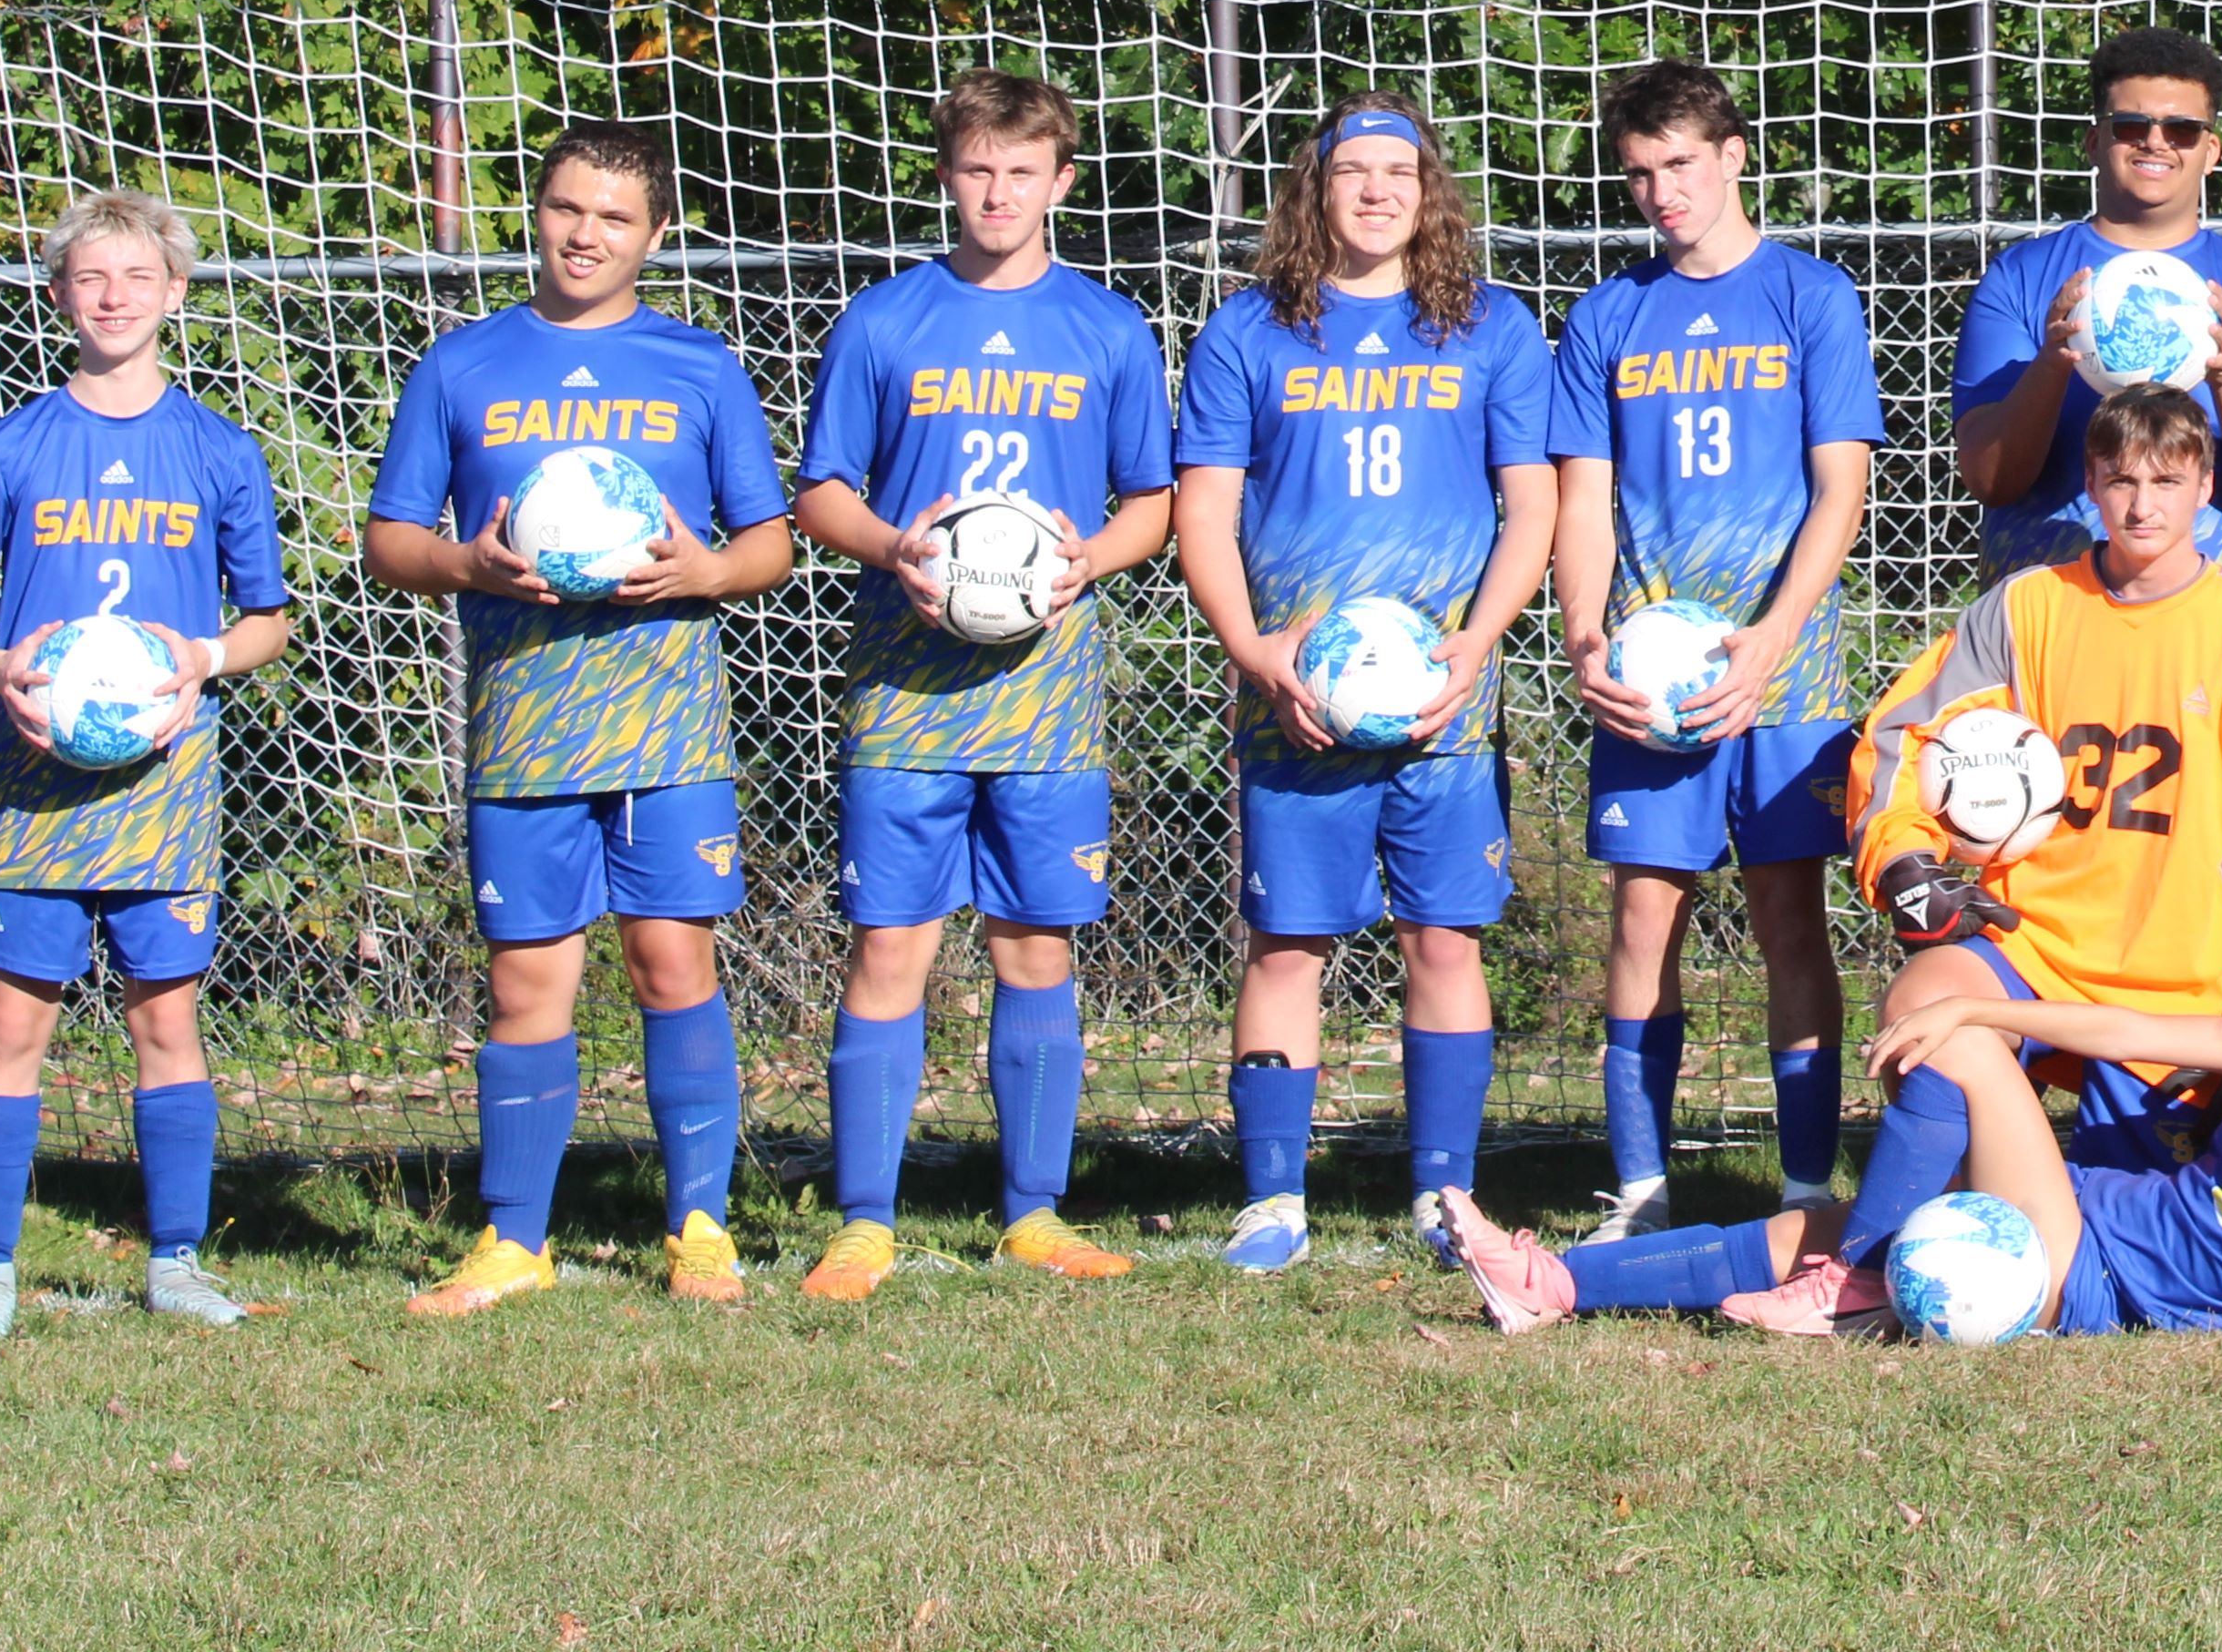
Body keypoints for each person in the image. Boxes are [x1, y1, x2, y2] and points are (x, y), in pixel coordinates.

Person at [1728, 382, 2222, 1334]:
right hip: (2031, 941)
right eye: (2120, 478)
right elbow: (1899, 740)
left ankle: (1936, 1245)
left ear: (2207, 484)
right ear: (2089, 484)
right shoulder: (2024, 609)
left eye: (2168, 479)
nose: (2143, 504)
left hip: (2175, 982)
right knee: (1925, 1006)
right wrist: (1901, 861)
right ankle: (1858, 1280)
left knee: (2118, 1232)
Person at [365, 120, 797, 1316]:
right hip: (523, 733)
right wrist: (469, 564)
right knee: (526, 985)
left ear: (654, 237)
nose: (584, 235)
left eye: (613, 218)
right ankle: (514, 1239)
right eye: (566, 208)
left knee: (671, 964)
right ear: (537, 213)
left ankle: (698, 1225)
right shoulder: (461, 366)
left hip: (668, 732)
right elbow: (389, 541)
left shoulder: (700, 366)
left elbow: (768, 544)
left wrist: (702, 574)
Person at [787, 69, 1181, 1299]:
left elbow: (1153, 503)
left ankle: (1034, 1214)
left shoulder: (1108, 328)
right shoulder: (885, 320)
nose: (997, 193)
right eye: (976, 170)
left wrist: (1083, 560)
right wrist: (898, 547)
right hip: (904, 693)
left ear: (1063, 182)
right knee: (890, 950)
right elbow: (820, 492)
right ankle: (864, 1219)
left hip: (1051, 695)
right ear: (945, 177)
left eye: (1023, 172)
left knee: (1034, 953)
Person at [1177, 93, 1557, 1273]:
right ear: (1316, 189)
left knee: (1443, 941)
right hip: (1294, 698)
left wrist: (1477, 643)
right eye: (1356, 172)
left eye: (1402, 171)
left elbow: (1533, 503)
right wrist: (1256, 652)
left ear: (1429, 190)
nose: (1379, 191)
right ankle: (1273, 1201)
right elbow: (1204, 510)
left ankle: (1447, 1198)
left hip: (1441, 705)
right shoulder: (1249, 332)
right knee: (1288, 945)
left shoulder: (1489, 326)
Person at [1434, 933, 2222, 1341]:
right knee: (1815, 1221)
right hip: (2088, 1210)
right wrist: (1995, 1004)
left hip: (2087, 1280)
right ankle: (1552, 1284)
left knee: (1968, 1061)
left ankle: (1857, 1284)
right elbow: (2127, 1031)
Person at [0, 188, 296, 1337]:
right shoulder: (11, 446)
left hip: (164, 785)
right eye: (92, 278)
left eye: (138, 277)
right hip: (35, 784)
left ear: (176, 294)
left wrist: (205, 656)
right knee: (13, 1024)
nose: (115, 296)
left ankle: (175, 1259)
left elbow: (269, 620)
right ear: (59, 297)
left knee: (164, 1021)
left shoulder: (219, 449)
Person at [1552, 58, 1881, 1241]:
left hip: (1782, 678)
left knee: (1792, 915)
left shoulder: (1810, 296)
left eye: (1681, 165)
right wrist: (1586, 638)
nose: (1662, 193)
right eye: (1640, 174)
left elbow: (1840, 489)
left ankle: (1804, 1187)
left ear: (1734, 154)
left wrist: (1774, 640)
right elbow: (1580, 501)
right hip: (1648, 679)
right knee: (1645, 917)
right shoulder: (1606, 317)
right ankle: (1640, 1187)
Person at [1952, 27, 2222, 587]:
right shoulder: (2021, 277)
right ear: (2093, 142)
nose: (2156, 142)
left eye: (2181, 129)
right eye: (2132, 126)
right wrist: (2053, 365)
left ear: (2211, 151)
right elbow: (1992, 480)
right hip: (2054, 609)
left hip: (2220, 614)